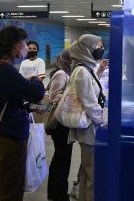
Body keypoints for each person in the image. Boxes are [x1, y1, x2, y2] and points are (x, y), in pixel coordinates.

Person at [0, 26, 45, 201]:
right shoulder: (6, 69)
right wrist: (36, 79)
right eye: (23, 43)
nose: (26, 47)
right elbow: (36, 93)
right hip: (10, 135)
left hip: (9, 132)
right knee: (10, 187)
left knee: (9, 183)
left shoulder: (1, 67)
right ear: (14, 46)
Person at [68, 34, 106, 201]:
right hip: (89, 129)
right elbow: (89, 103)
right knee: (93, 174)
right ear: (86, 49)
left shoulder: (88, 68)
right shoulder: (82, 71)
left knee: (86, 171)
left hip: (91, 127)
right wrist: (103, 120)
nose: (100, 49)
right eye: (97, 46)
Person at [47, 49, 74, 201]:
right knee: (61, 158)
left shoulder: (68, 73)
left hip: (65, 122)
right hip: (59, 123)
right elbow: (53, 98)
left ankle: (58, 192)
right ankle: (57, 193)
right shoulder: (61, 74)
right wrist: (72, 98)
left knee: (63, 158)